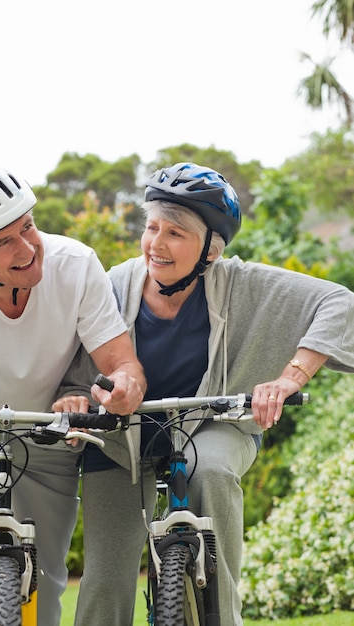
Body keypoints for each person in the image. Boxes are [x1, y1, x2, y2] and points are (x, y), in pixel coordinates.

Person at [60, 161, 354, 626]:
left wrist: (290, 377)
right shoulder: (112, 285)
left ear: (210, 250)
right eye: (152, 227)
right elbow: (75, 374)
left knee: (211, 471)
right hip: (122, 436)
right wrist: (76, 398)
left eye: (175, 233)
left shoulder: (242, 284)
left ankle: (224, 616)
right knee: (105, 578)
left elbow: (339, 302)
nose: (156, 244)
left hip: (215, 423)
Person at [0, 162, 146, 626]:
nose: (29, 248)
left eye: (28, 227)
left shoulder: (75, 264)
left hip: (47, 428)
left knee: (44, 596)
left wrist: (125, 390)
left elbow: (123, 366)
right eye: (4, 241)